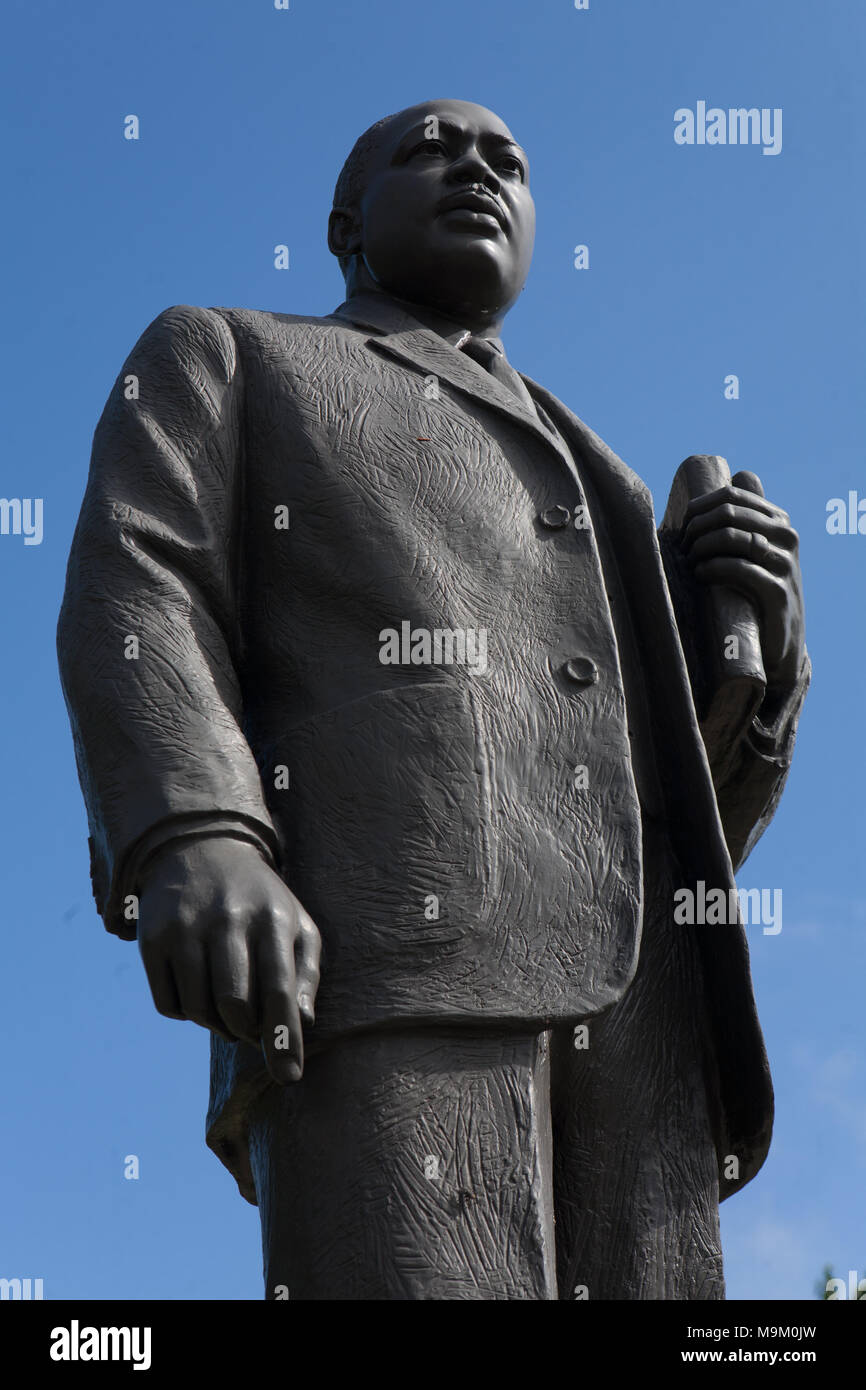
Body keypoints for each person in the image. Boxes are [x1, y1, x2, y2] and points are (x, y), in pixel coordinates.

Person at [58, 99, 809, 1299]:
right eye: (432, 148)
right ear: (344, 226)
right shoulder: (232, 354)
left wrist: (754, 659)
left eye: (508, 160)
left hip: (648, 1031)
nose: (478, 167)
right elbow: (140, 582)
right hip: (386, 959)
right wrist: (197, 829)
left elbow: (681, 805)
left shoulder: (595, 468)